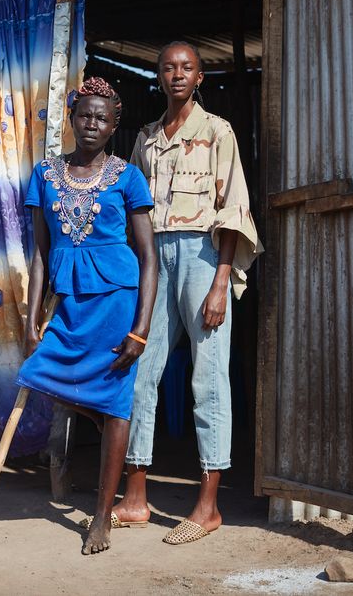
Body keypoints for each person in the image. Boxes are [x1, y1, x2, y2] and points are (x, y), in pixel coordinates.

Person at [110, 42, 262, 544]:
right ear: (157, 76)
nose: (177, 75)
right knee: (139, 371)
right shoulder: (146, 139)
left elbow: (234, 209)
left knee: (209, 379)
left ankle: (208, 504)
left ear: (200, 76)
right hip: (153, 261)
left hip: (202, 256)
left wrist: (221, 282)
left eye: (187, 68)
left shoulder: (218, 131)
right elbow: (130, 210)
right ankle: (135, 498)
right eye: (168, 67)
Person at [16, 76, 157, 555]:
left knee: (116, 401)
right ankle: (99, 418)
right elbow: (39, 253)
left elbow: (149, 258)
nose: (92, 124)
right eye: (84, 115)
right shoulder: (45, 175)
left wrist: (140, 329)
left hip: (117, 301)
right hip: (69, 302)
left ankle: (101, 516)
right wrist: (31, 317)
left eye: (102, 118)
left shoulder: (127, 177)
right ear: (71, 119)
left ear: (114, 124)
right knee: (38, 373)